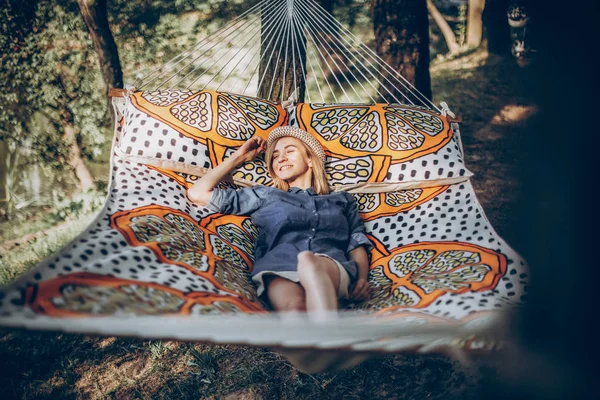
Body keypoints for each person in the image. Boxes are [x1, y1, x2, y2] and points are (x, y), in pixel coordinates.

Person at [187, 126, 372, 315]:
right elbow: (197, 192)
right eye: (275, 156)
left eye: (290, 151)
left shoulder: (342, 200)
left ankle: (325, 332)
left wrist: (362, 279)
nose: (281, 158)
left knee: (310, 263)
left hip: (330, 265)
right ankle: (324, 337)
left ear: (310, 160)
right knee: (295, 309)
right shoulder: (266, 196)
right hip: (278, 266)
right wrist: (239, 157)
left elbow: (356, 242)